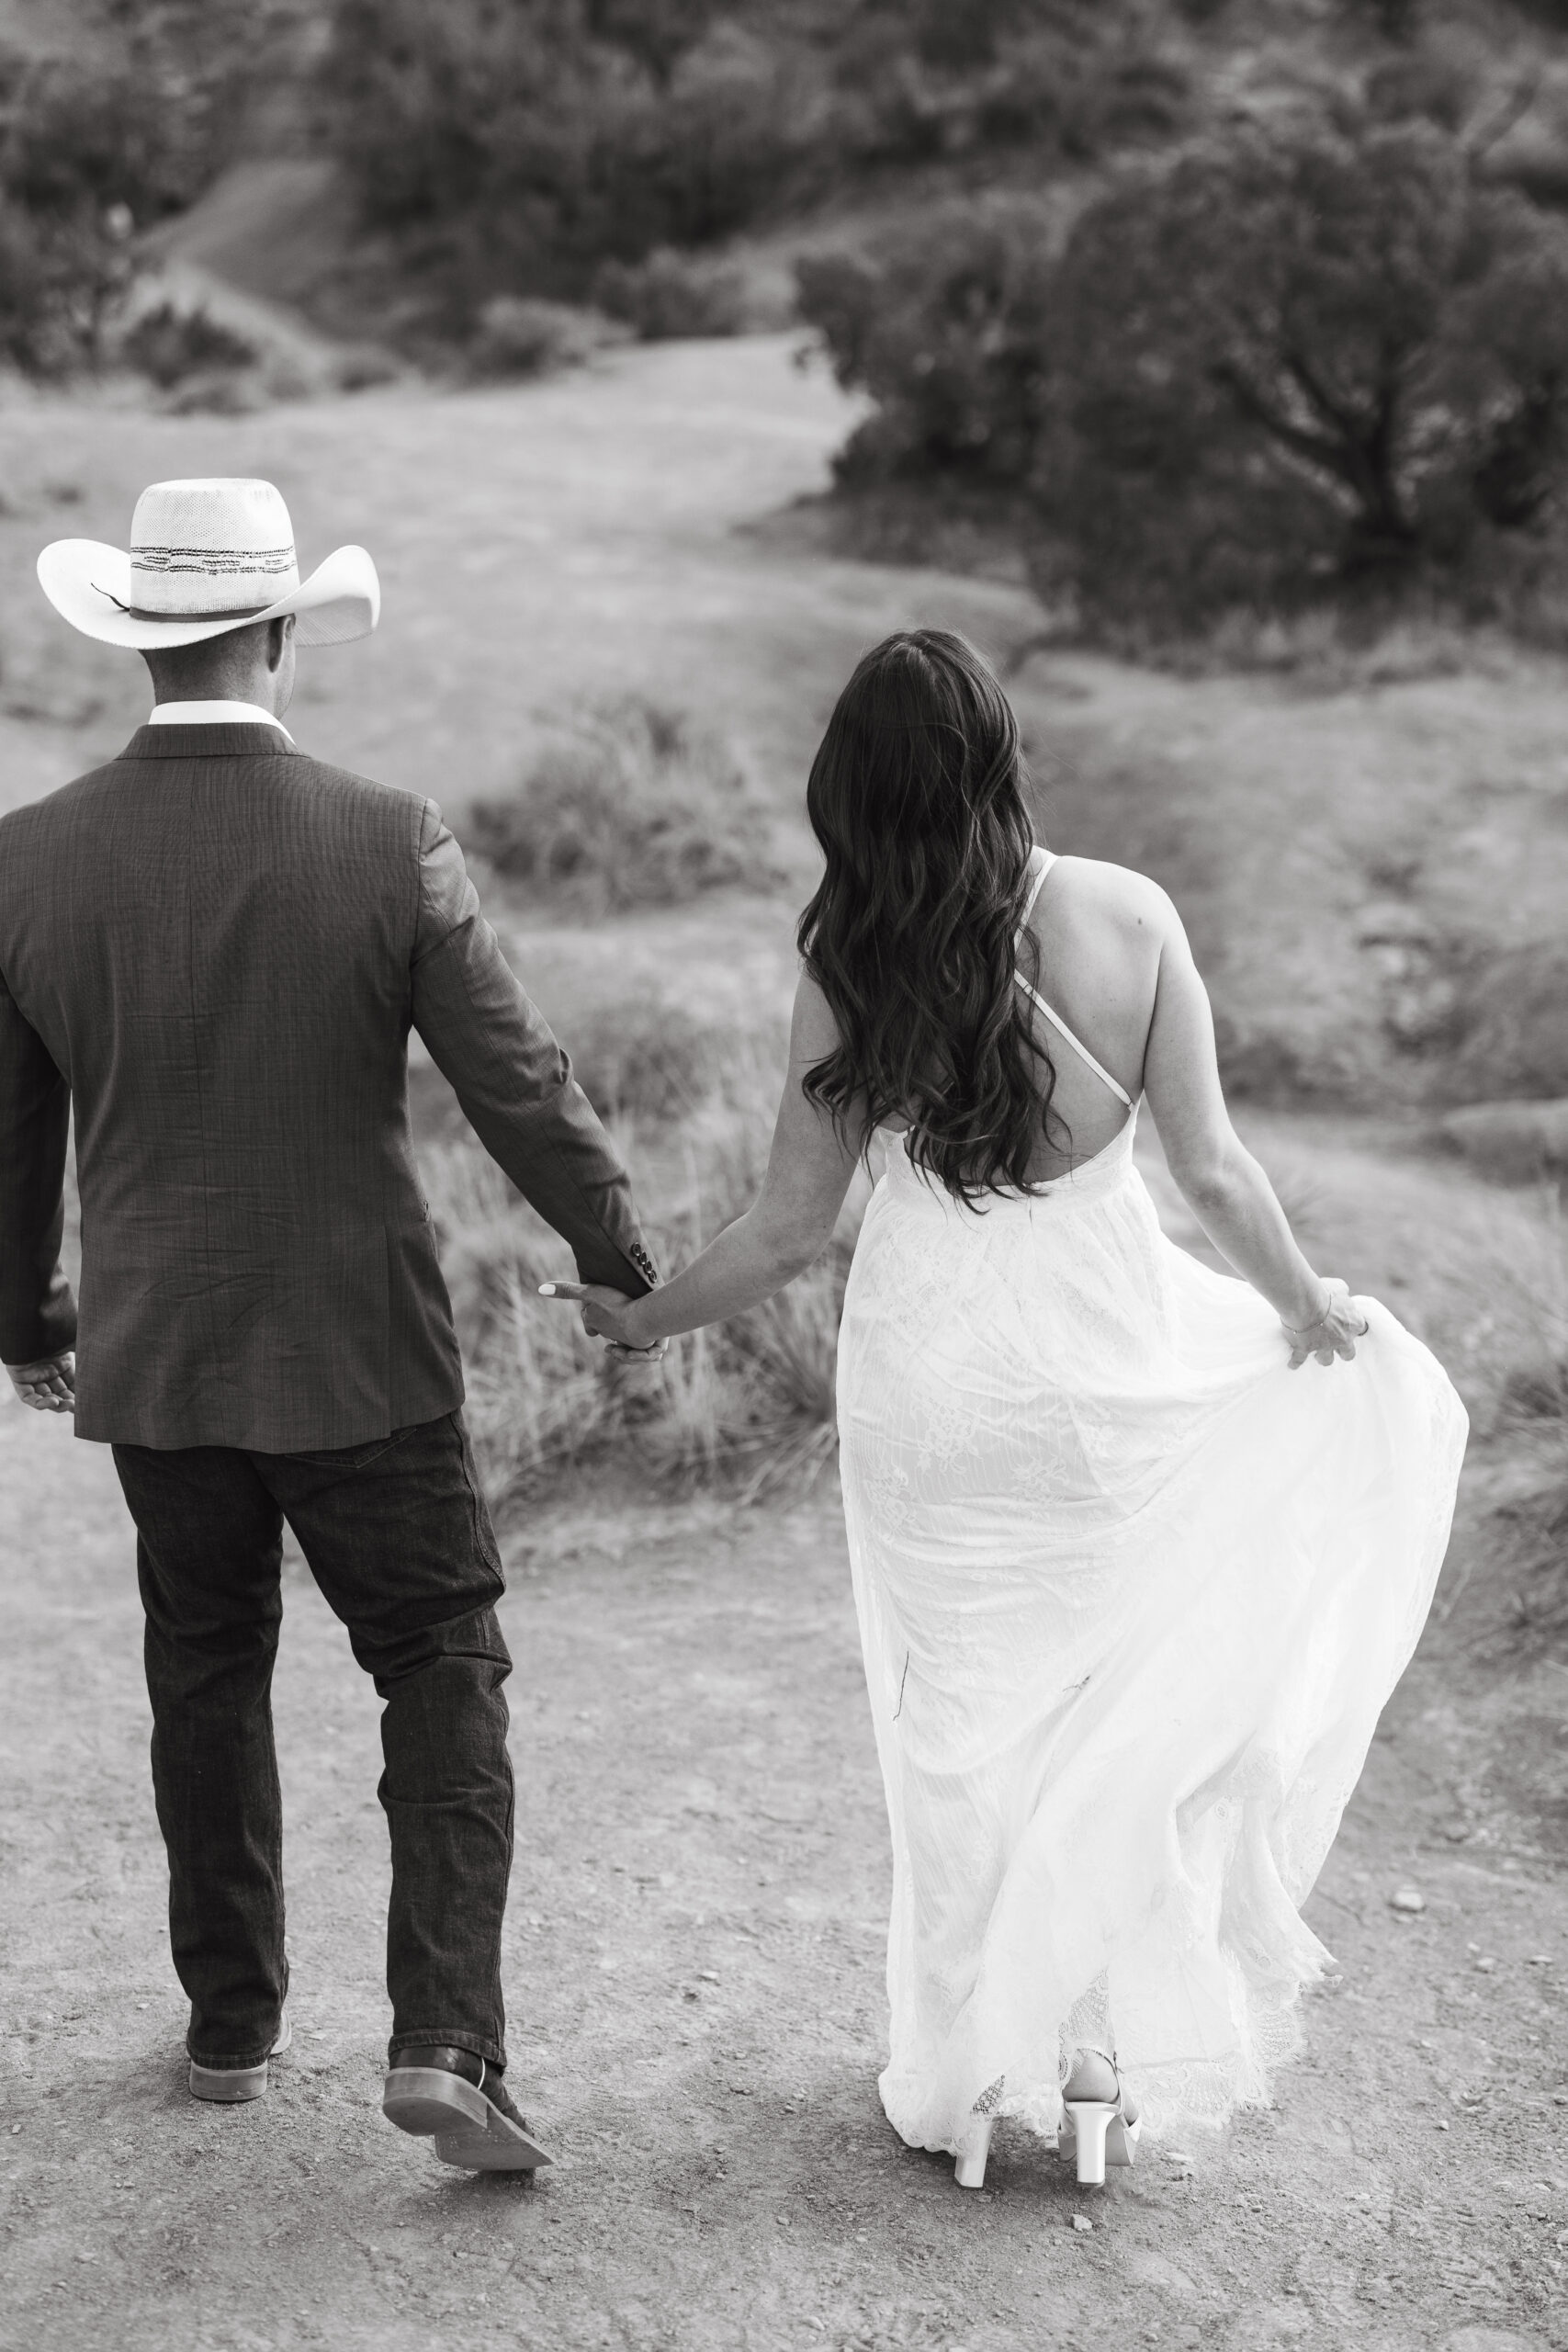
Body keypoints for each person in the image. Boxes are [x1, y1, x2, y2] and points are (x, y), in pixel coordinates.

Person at [542, 628, 1468, 2192]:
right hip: (1104, 1365)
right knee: (1098, 1715)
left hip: (935, 1379)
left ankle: (976, 2083)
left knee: (957, 1733)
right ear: (999, 758)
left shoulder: (851, 961)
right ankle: (1093, 2063)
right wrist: (1308, 1310)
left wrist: (645, 1318)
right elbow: (1216, 1172)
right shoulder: (1130, 918)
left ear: (860, 791)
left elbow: (784, 1230)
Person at [0, 477, 663, 2173]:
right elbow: (515, 1079)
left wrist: (22, 1319)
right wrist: (620, 1255)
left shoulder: (28, 859)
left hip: (156, 1360)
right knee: (439, 1656)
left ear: (141, 645)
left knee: (204, 1674)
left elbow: (11, 1145)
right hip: (360, 1351)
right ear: (284, 631)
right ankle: (444, 2039)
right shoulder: (386, 836)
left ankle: (230, 2025)